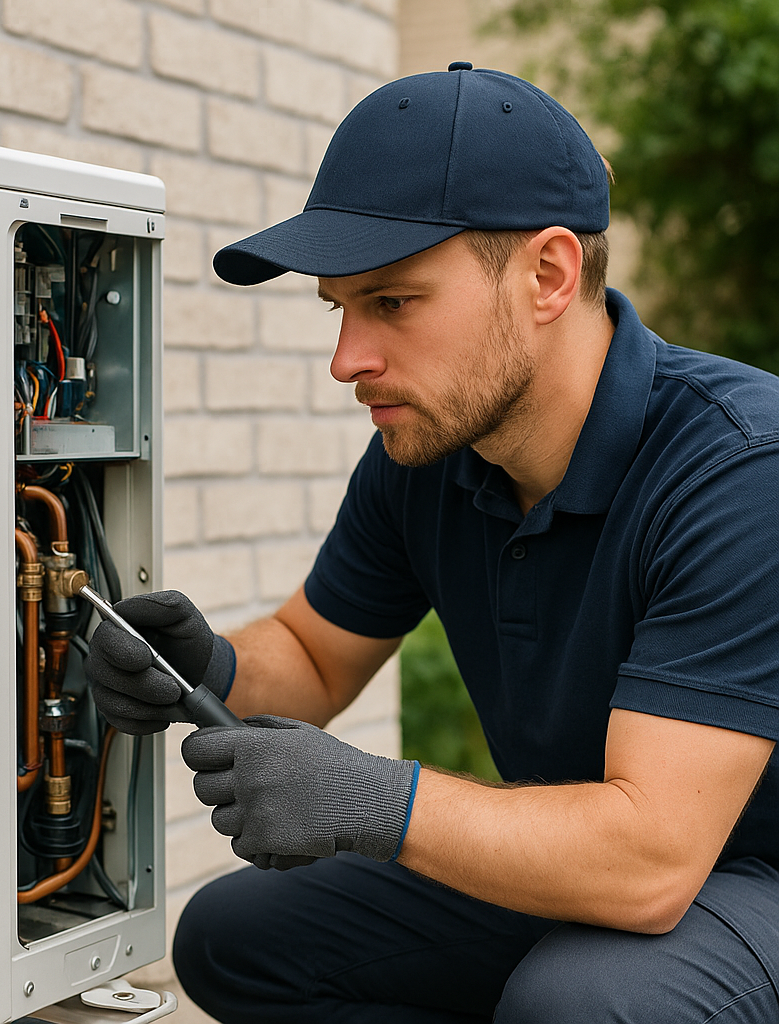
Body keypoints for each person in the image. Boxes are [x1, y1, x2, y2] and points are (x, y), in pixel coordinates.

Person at [86, 64, 779, 1022]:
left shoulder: (741, 469)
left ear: (548, 275)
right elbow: (319, 655)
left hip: (750, 876)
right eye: (341, 308)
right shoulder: (433, 453)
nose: (346, 361)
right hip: (606, 858)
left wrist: (382, 802)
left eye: (394, 303)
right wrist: (205, 662)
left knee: (583, 1004)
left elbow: (652, 859)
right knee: (233, 939)